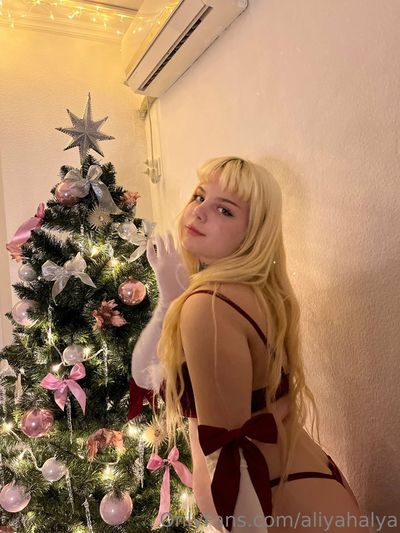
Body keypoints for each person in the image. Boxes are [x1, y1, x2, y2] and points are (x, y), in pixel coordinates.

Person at [131, 156, 364, 532]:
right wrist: (169, 302)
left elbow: (231, 456)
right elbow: (146, 377)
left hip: (278, 504)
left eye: (224, 210)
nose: (199, 211)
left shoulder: (208, 306)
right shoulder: (253, 292)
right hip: (309, 491)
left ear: (253, 233)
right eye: (199, 196)